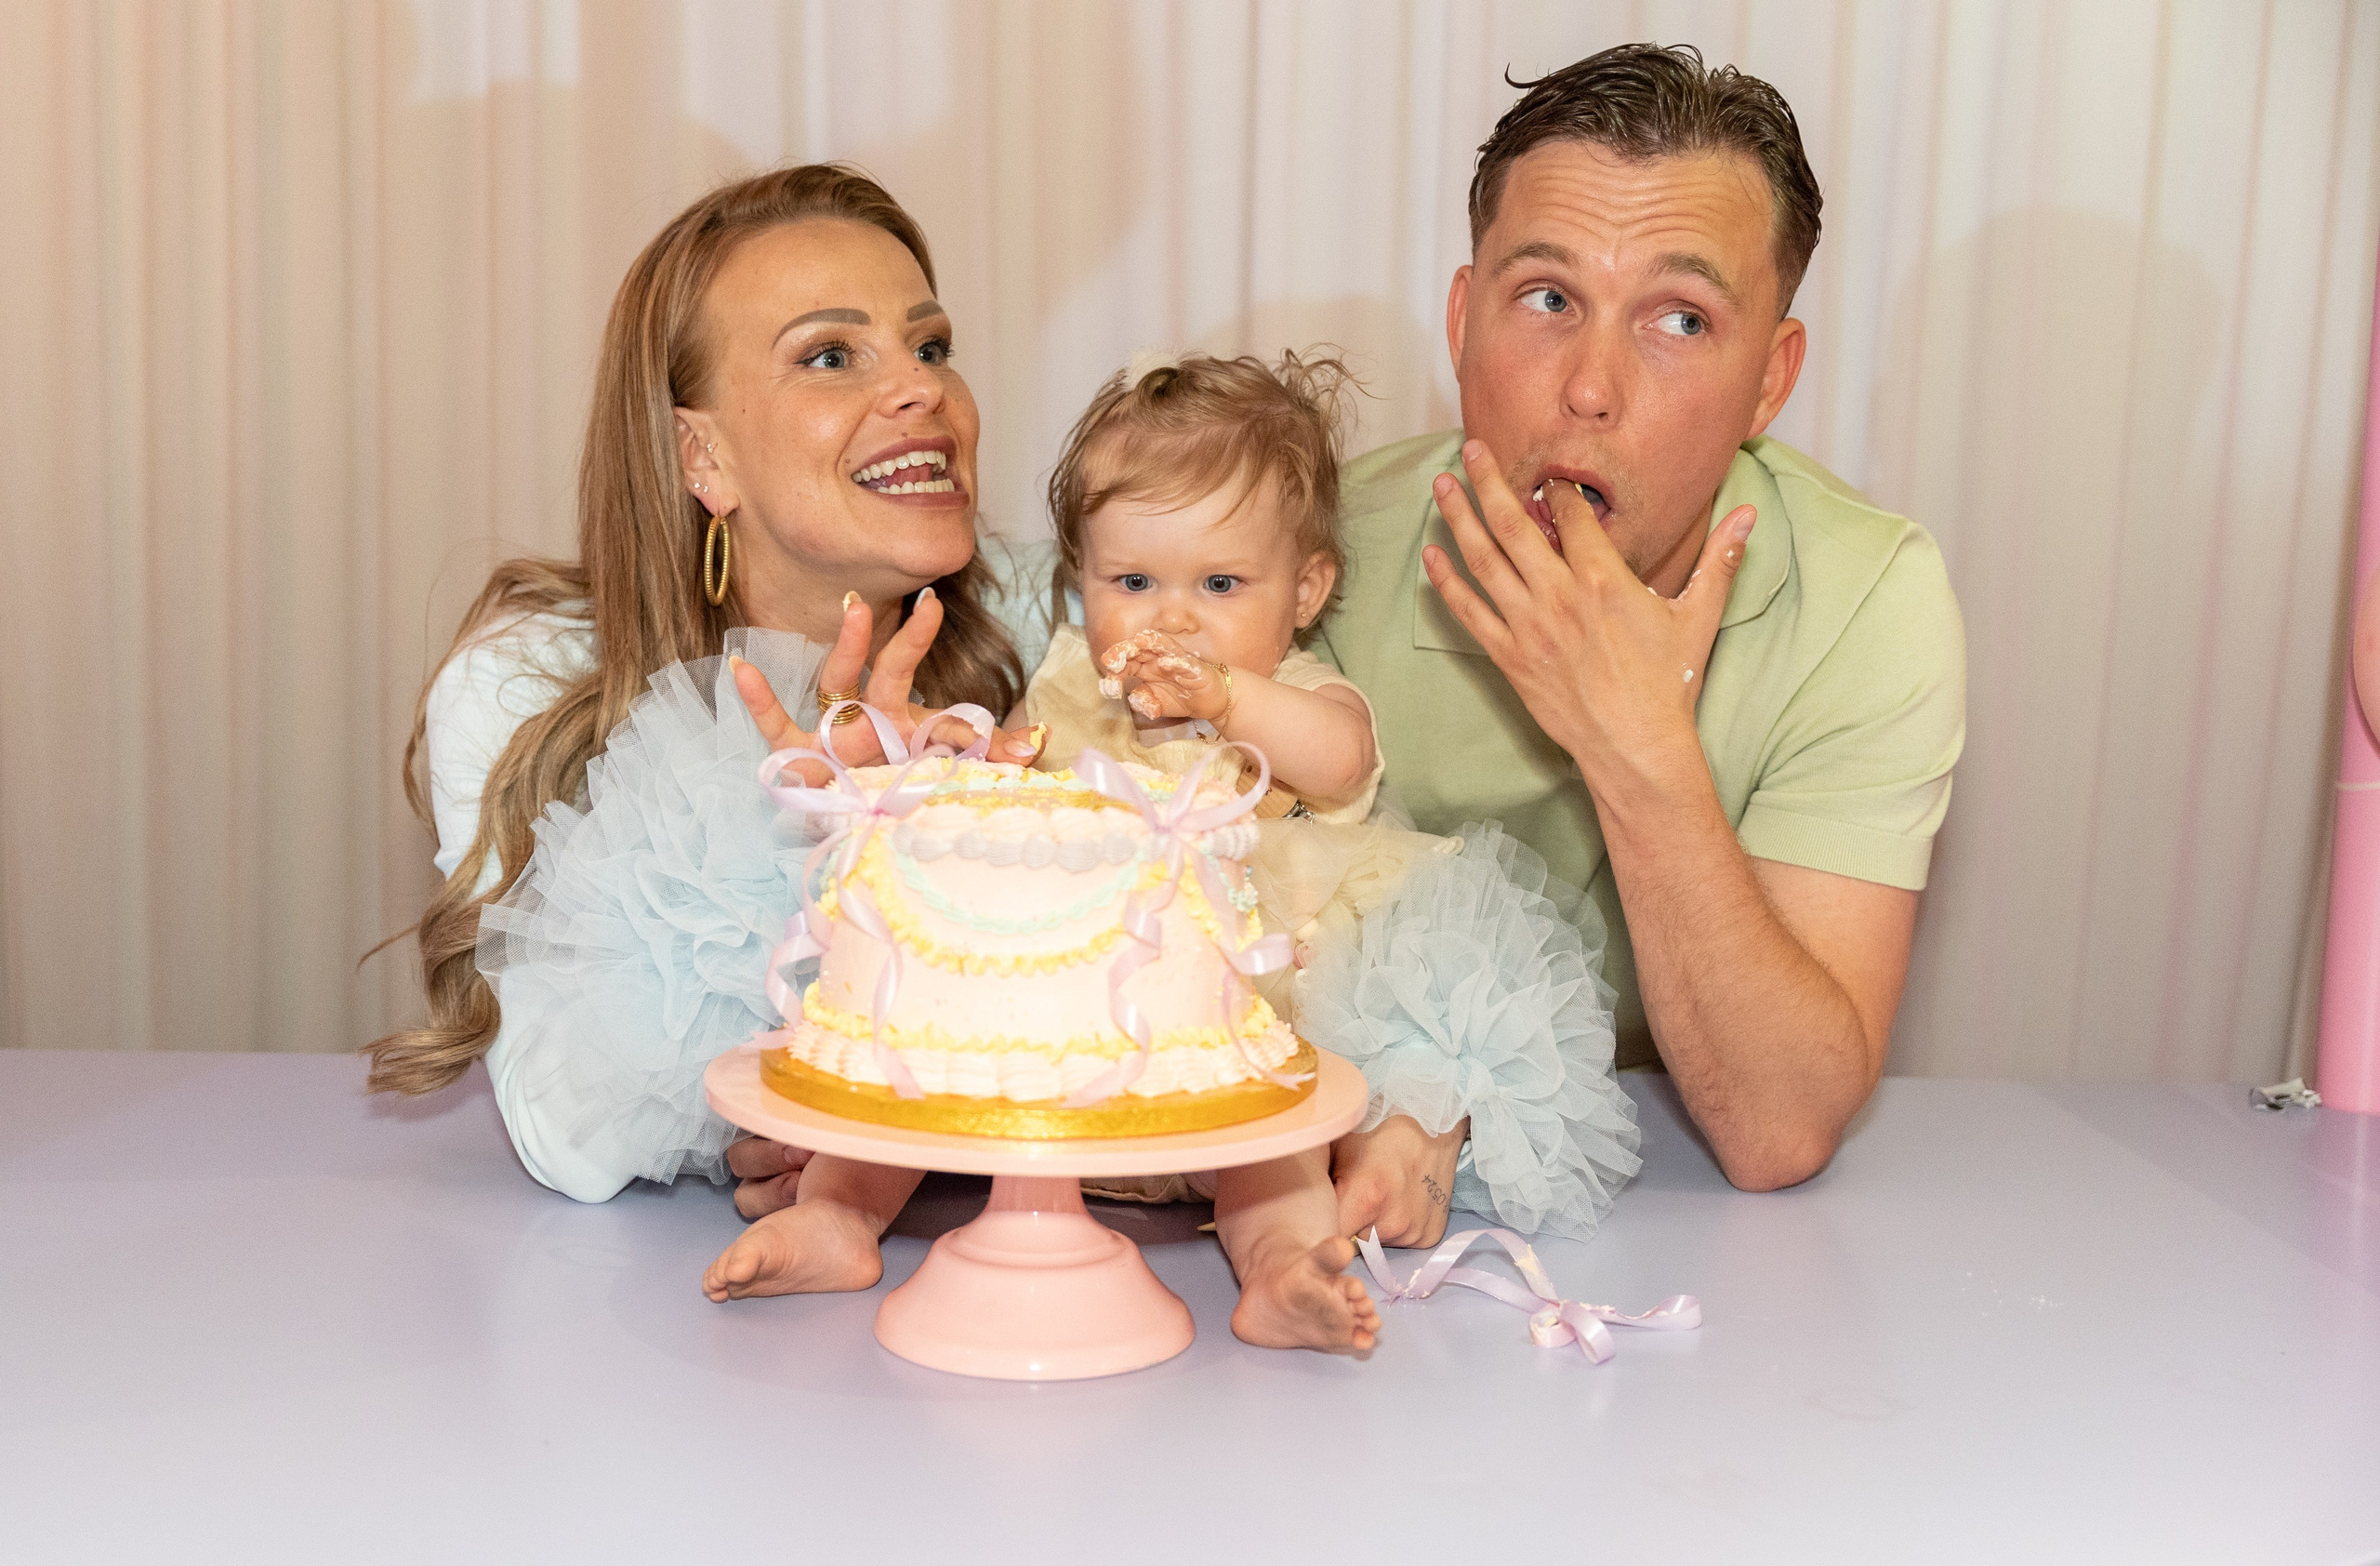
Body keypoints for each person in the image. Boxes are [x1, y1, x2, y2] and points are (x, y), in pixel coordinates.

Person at [715, 351, 1635, 1347]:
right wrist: (940, 753)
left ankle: (1283, 1271)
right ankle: (838, 1219)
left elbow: (1339, 761)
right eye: (1134, 579)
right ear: (1081, 584)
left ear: (1305, 589)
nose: (1172, 616)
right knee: (918, 1070)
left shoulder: (1298, 694)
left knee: (1268, 1156)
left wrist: (1223, 699)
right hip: (1080, 1024)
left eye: (1222, 581)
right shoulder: (1072, 683)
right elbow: (1014, 802)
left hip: (1244, 1016)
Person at [1318, 43, 1967, 1223]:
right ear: (1463, 322)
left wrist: (1636, 742)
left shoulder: (1869, 598)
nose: (1590, 388)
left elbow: (1777, 1128)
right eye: (1548, 298)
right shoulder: (1318, 554)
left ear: (1771, 381)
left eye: (1677, 318)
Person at [365, 166, 1049, 1251]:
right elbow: (574, 1140)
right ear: (703, 456)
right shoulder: (531, 681)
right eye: (831, 355)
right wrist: (822, 827)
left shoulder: (1045, 621)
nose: (923, 390)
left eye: (930, 346)